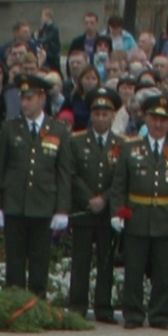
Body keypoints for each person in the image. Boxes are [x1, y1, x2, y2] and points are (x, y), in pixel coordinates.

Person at [0, 67, 67, 294]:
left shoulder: (58, 130)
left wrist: (62, 209)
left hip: (43, 204)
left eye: (29, 98)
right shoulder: (10, 128)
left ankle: (37, 304)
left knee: (39, 262)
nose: (24, 104)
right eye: (22, 98)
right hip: (15, 204)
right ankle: (14, 304)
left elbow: (63, 172)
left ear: (42, 98)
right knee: (14, 262)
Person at [113, 91, 168, 329]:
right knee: (134, 269)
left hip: (167, 217)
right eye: (154, 118)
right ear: (146, 120)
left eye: (164, 120)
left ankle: (160, 314)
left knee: (163, 271)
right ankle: (133, 313)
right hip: (137, 215)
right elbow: (120, 184)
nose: (158, 124)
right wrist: (117, 211)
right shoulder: (130, 146)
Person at [65, 85, 123, 319]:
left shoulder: (122, 144)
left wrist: (105, 199)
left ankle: (103, 306)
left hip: (107, 212)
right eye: (97, 113)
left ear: (112, 116)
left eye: (105, 114)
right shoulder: (76, 141)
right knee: (81, 260)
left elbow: (121, 178)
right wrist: (88, 198)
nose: (101, 118)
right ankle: (77, 305)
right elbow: (72, 173)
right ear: (91, 115)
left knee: (106, 262)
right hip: (83, 210)